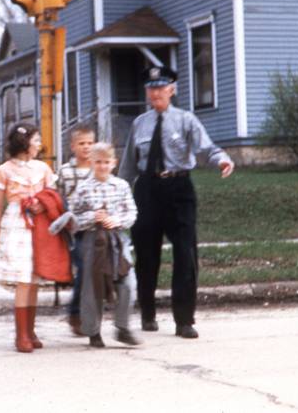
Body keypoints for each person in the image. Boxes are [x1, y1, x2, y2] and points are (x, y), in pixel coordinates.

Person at [120, 66, 235, 339]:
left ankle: (184, 320)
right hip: (147, 189)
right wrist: (117, 196)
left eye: (161, 87)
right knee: (146, 254)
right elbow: (128, 166)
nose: (155, 92)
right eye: (151, 88)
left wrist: (223, 160)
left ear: (172, 90)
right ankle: (148, 313)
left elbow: (208, 147)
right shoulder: (140, 123)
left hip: (178, 189)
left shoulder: (186, 120)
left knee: (185, 253)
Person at [0, 123, 56, 353]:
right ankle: (21, 334)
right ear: (25, 144)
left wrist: (42, 204)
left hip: (39, 223)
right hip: (17, 223)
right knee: (23, 278)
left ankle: (31, 329)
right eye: (36, 141)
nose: (39, 145)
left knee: (34, 278)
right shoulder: (5, 170)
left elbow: (53, 195)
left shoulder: (43, 168)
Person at [69, 142, 140, 348]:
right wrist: (93, 216)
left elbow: (131, 212)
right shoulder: (83, 188)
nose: (102, 166)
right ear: (91, 163)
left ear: (114, 163)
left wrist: (117, 220)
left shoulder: (121, 185)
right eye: (98, 162)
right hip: (92, 240)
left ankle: (123, 328)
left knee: (128, 284)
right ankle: (93, 331)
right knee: (92, 286)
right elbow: (74, 218)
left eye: (106, 162)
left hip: (117, 239)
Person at [56, 124, 95, 335]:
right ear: (73, 146)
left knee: (95, 271)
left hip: (95, 226)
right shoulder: (65, 171)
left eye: (90, 143)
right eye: (82, 143)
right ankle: (75, 312)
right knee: (84, 268)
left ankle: (89, 313)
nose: (86, 147)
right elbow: (58, 197)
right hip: (74, 230)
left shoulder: (97, 168)